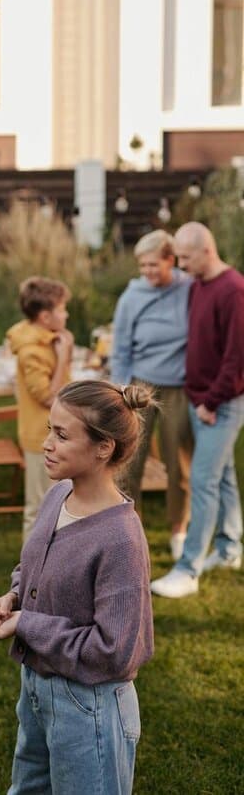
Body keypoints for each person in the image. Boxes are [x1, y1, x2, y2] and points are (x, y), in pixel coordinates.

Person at [0, 380, 155, 795]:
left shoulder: (120, 540)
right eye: (48, 430)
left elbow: (114, 651)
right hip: (38, 689)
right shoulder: (58, 496)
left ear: (103, 447)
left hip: (89, 707)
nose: (47, 444)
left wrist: (26, 623)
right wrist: (12, 598)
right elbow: (35, 568)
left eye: (61, 435)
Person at [151, 222, 244, 598]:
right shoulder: (199, 285)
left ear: (207, 250)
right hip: (200, 399)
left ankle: (187, 570)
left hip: (220, 404)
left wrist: (212, 401)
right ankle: (230, 547)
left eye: (186, 258)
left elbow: (237, 358)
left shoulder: (234, 290)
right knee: (223, 477)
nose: (181, 266)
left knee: (203, 481)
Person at [111, 229, 193, 560]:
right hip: (140, 385)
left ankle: (179, 530)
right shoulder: (131, 297)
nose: (147, 271)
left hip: (180, 387)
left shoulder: (190, 288)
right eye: (142, 265)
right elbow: (120, 348)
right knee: (129, 461)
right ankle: (129, 532)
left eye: (153, 265)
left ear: (171, 260)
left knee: (179, 462)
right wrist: (120, 391)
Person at [7, 277, 73, 542]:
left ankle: (56, 558)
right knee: (39, 507)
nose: (66, 314)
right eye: (62, 309)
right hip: (40, 437)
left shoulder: (49, 340)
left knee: (59, 503)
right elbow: (48, 397)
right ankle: (31, 565)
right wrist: (64, 356)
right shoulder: (31, 351)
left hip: (56, 432)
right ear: (45, 317)